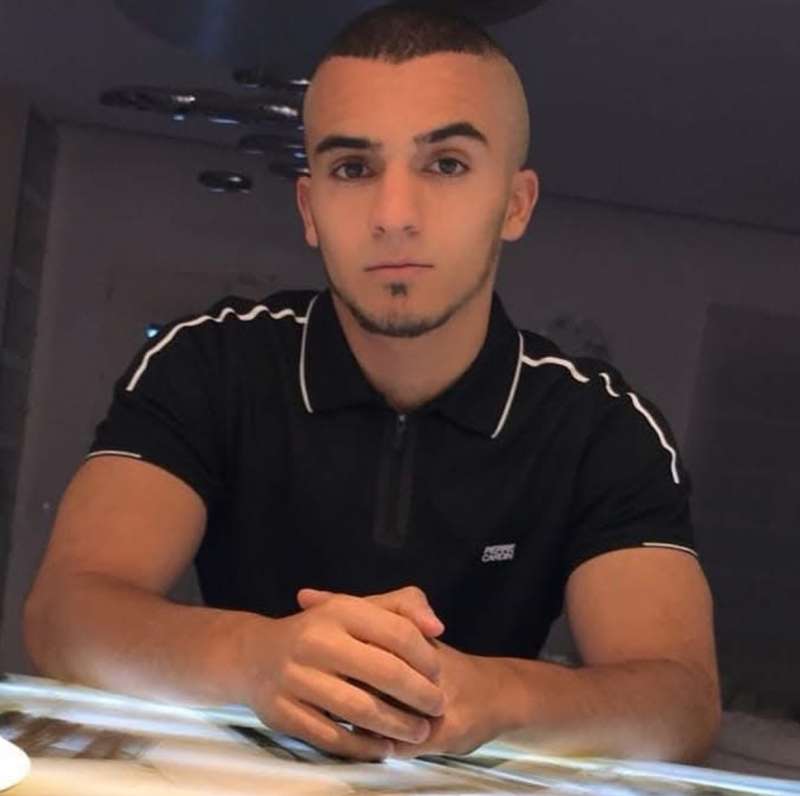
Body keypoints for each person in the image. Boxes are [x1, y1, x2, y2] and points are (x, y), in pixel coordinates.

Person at [23, 4, 720, 764]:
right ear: (310, 206)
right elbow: (65, 616)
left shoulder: (601, 426)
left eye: (446, 164)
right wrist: (255, 659)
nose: (394, 216)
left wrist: (495, 695)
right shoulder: (209, 363)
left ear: (515, 204)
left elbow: (680, 704)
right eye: (353, 168)